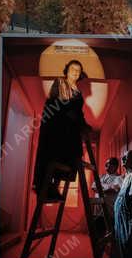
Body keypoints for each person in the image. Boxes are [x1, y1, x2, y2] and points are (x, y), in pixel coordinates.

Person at [32, 59, 90, 198]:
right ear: (67, 71)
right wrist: (73, 118)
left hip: (70, 129)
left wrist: (83, 124)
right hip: (56, 126)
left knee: (70, 155)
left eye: (78, 70)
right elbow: (58, 103)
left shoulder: (79, 92)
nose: (75, 72)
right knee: (52, 154)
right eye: (72, 69)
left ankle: (55, 188)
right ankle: (43, 187)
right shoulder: (60, 82)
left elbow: (79, 112)